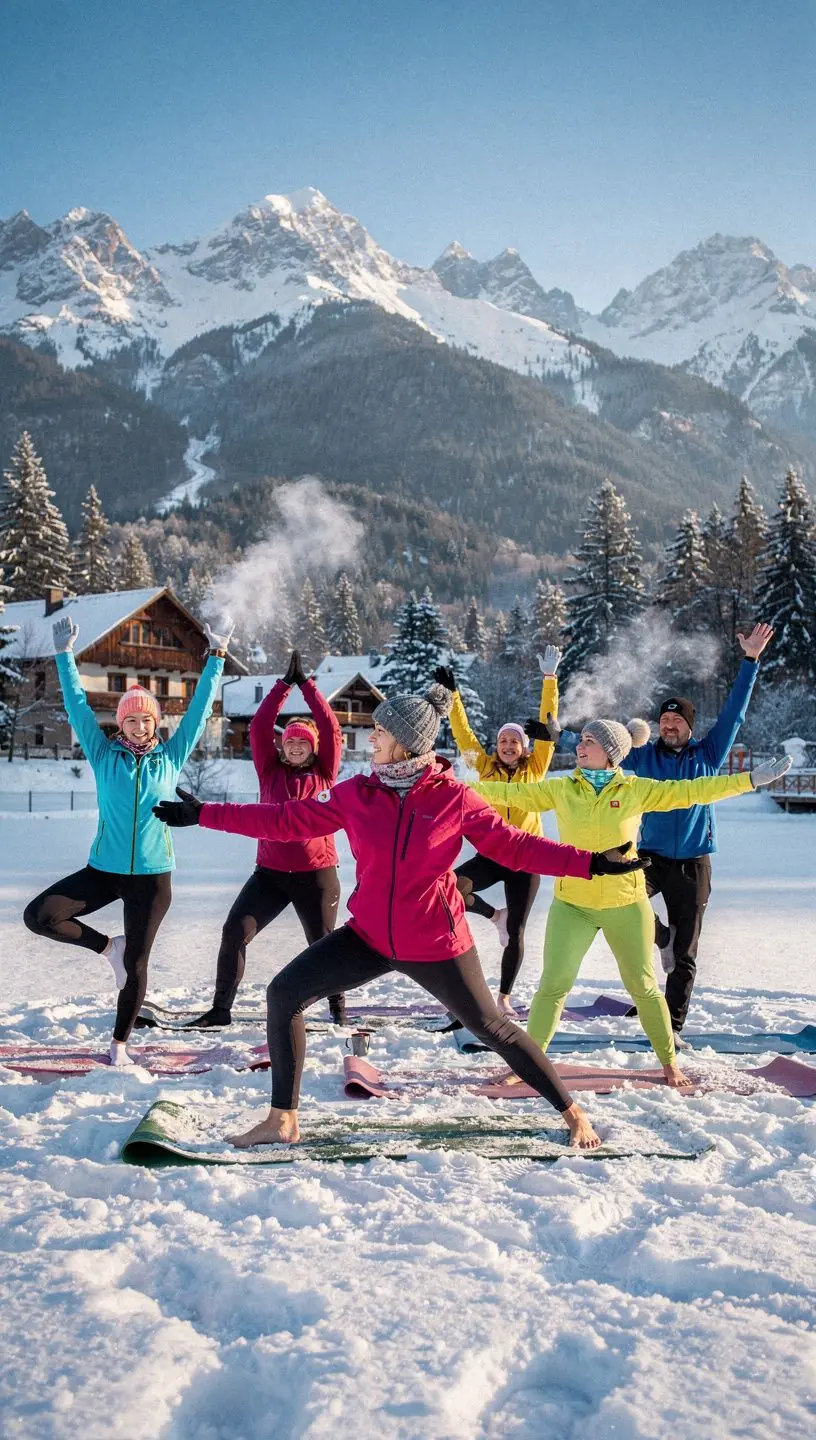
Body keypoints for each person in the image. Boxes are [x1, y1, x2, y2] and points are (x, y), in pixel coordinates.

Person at [155, 684, 651, 1149]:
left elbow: (514, 847)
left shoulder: (453, 797)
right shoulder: (356, 793)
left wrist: (589, 863)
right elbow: (285, 820)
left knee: (492, 1027)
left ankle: (571, 1112)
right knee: (284, 994)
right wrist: (204, 815)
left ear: (407, 744)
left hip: (436, 942)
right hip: (368, 936)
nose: (371, 737)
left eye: (381, 731)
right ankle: (282, 1118)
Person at [471, 716, 790, 1087]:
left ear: (610, 753)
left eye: (588, 740)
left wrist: (750, 780)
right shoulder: (562, 789)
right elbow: (505, 794)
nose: (579, 745)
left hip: (626, 904)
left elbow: (695, 791)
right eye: (582, 739)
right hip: (573, 905)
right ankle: (528, 1067)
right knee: (553, 986)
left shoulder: (636, 789)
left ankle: (670, 1063)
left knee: (643, 986)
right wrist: (442, 784)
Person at [23, 612, 231, 1065]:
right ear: (121, 724)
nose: (139, 726)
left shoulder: (171, 758)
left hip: (152, 879)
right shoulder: (103, 755)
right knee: (39, 916)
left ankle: (119, 1045)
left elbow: (198, 710)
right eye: (131, 720)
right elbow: (77, 704)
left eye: (146, 720)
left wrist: (215, 654)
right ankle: (105, 947)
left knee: (136, 966)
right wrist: (64, 656)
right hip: (103, 870)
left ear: (156, 723)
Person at [553, 624, 774, 1032]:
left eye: (676, 720)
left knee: (687, 949)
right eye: (664, 720)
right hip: (648, 857)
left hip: (693, 863)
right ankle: (659, 948)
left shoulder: (709, 753)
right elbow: (601, 749)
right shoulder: (641, 758)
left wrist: (750, 660)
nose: (669, 725)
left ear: (690, 726)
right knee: (630, 913)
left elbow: (735, 712)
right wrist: (558, 736)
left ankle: (670, 1023)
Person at [186, 649, 345, 1029]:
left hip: (316, 875)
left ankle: (338, 1011)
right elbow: (260, 726)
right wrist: (281, 688)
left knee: (325, 946)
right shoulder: (269, 772)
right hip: (270, 874)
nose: (295, 746)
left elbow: (332, 726)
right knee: (233, 932)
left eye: (303, 742)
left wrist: (306, 686)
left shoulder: (326, 772)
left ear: (314, 747)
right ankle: (220, 1009)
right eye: (290, 741)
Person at [437, 647, 562, 1014]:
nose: (508, 745)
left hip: (526, 858)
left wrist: (549, 680)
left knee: (518, 933)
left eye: (514, 742)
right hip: (492, 855)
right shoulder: (484, 768)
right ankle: (495, 916)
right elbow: (462, 732)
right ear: (496, 747)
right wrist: (454, 694)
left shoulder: (535, 769)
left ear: (524, 749)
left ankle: (504, 997)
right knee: (449, 888)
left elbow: (548, 724)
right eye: (503, 741)